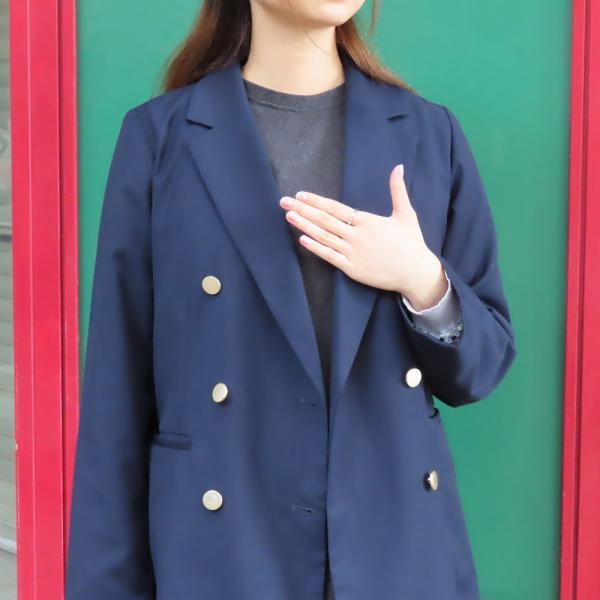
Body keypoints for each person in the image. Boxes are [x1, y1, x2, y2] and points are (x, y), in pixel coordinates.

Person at [65, 1, 517, 599]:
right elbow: (116, 395)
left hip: (397, 557)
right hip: (222, 555)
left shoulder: (429, 134)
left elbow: (481, 369)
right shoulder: (161, 138)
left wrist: (423, 280)